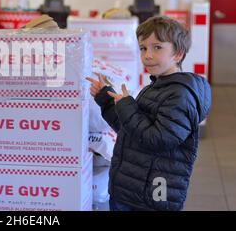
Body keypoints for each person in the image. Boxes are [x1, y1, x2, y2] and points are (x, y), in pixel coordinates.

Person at [86, 16, 211, 211]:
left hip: (151, 196)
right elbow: (130, 130)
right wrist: (107, 101)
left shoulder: (180, 95)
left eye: (157, 47)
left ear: (177, 54)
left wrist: (127, 105)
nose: (148, 55)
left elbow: (158, 140)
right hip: (131, 188)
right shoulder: (156, 87)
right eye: (143, 48)